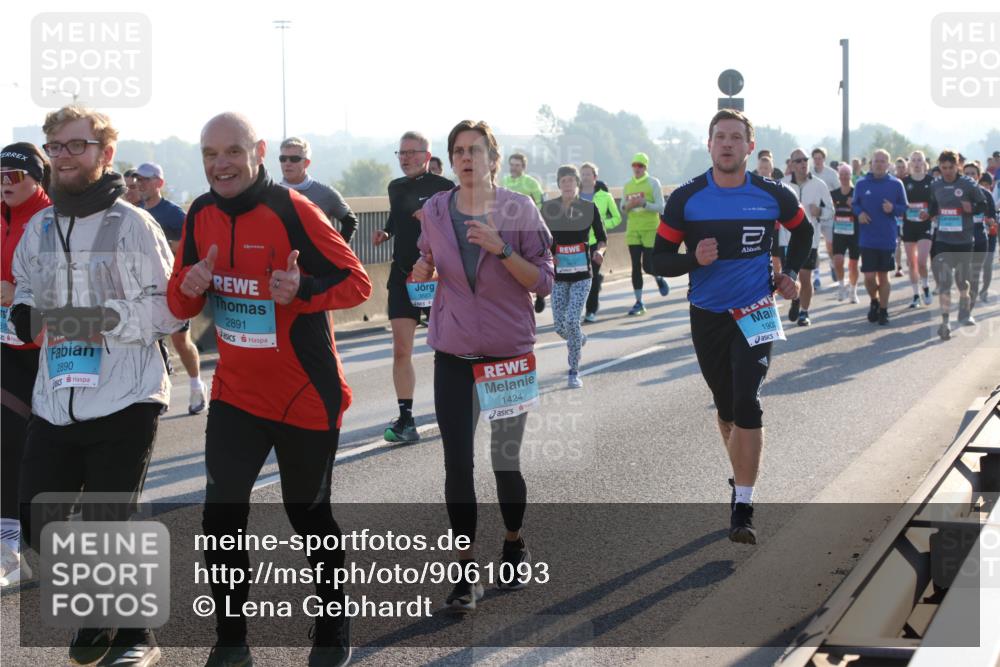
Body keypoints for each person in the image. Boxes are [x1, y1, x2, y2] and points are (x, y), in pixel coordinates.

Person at [168, 112, 372, 667]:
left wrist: (301, 288)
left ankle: (333, 626)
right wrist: (189, 288)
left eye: (232, 151)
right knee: (220, 519)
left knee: (307, 515)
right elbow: (179, 302)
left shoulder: (293, 209)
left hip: (304, 393)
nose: (220, 164)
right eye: (210, 154)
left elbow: (358, 282)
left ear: (256, 150)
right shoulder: (201, 212)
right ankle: (231, 641)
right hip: (236, 394)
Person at [10, 105, 184, 667]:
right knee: (38, 521)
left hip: (127, 394)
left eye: (76, 145)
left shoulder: (134, 224)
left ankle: (134, 637)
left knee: (109, 517)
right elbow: (22, 288)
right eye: (55, 146)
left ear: (105, 153)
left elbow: (169, 312)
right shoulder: (38, 226)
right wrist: (22, 314)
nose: (64, 156)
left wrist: (98, 319)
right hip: (55, 397)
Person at [411, 119, 553, 610]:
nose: (466, 158)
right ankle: (465, 571)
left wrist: (503, 248)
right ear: (450, 161)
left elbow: (544, 282)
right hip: (453, 353)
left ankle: (513, 541)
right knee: (458, 463)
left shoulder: (519, 209)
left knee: (504, 462)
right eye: (458, 151)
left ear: (495, 158)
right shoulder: (433, 210)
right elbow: (427, 264)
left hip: (508, 355)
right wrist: (421, 270)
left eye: (476, 150)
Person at [653, 109, 812, 545]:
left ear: (748, 145)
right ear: (709, 145)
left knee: (748, 401)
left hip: (756, 310)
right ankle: (740, 474)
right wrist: (692, 260)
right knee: (726, 407)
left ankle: (743, 504)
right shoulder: (686, 199)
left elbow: (804, 232)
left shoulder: (771, 194)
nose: (727, 144)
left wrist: (790, 272)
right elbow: (657, 260)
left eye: (735, 137)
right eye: (719, 137)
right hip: (707, 314)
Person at [372, 131, 455, 443]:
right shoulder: (396, 187)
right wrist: (386, 232)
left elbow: (456, 229)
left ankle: (452, 408)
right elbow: (398, 218)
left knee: (446, 348)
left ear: (426, 154)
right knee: (400, 350)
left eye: (411, 152)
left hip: (438, 277)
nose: (405, 158)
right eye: (401, 153)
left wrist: (431, 221)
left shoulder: (445, 188)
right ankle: (406, 419)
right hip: (404, 276)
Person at [0, 142, 51, 588]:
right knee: (6, 437)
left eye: (13, 176)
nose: (4, 184)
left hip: (50, 347)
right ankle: (11, 549)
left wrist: (16, 291)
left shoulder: (53, 218)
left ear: (37, 177)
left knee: (48, 448)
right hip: (6, 348)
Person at [135, 161, 208, 414]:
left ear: (159, 183)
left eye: (145, 179)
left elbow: (194, 248)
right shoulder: (135, 211)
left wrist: (163, 244)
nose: (140, 183)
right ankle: (155, 392)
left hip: (173, 288)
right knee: (146, 339)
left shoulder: (174, 214)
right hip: (144, 289)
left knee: (180, 341)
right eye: (138, 179)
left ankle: (196, 384)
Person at [542, 165, 606, 386]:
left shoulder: (589, 208)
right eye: (563, 181)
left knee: (572, 320)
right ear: (558, 184)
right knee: (560, 326)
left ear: (577, 184)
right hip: (559, 276)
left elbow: (602, 238)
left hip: (582, 275)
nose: (567, 185)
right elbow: (543, 240)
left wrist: (599, 251)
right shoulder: (549, 209)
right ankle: (579, 339)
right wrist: (549, 256)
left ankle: (574, 371)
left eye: (571, 181)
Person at [929, 150, 988, 338]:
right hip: (943, 241)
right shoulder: (935, 185)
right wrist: (928, 214)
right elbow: (932, 206)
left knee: (962, 281)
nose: (947, 171)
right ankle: (945, 322)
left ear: (958, 166)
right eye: (943, 168)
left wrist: (972, 209)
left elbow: (983, 205)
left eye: (951, 167)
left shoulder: (967, 184)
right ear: (939, 166)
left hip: (963, 241)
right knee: (945, 283)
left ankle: (965, 311)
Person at [852, 149, 908, 326]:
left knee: (883, 276)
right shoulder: (861, 184)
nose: (879, 164)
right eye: (877, 161)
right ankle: (874, 301)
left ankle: (883, 310)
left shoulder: (896, 184)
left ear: (888, 164)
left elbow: (904, 207)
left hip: (887, 238)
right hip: (867, 238)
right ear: (871, 163)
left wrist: (893, 209)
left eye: (883, 161)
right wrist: (859, 213)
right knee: (869, 277)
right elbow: (854, 204)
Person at [782, 148, 833, 326]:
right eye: (799, 161)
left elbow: (830, 211)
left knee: (805, 277)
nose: (803, 163)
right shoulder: (783, 184)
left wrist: (820, 211)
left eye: (805, 160)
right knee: (790, 277)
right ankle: (796, 298)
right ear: (791, 164)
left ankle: (804, 312)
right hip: (786, 239)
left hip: (808, 241)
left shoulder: (819, 184)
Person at [279, 137, 359, 243]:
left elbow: (351, 222)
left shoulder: (326, 193)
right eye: (283, 159)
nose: (287, 163)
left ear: (306, 163)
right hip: (280, 258)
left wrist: (336, 250)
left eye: (294, 159)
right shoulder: (270, 194)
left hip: (314, 259)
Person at [623, 152, 669, 315]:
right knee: (635, 266)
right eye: (634, 165)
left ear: (645, 167)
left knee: (648, 266)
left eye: (640, 165)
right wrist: (629, 205)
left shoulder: (653, 183)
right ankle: (639, 302)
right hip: (633, 229)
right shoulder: (628, 185)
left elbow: (661, 207)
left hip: (650, 228)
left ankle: (658, 277)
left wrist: (644, 203)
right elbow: (623, 207)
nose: (637, 168)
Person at [502, 153, 547, 313]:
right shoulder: (504, 181)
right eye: (512, 164)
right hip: (509, 229)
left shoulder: (531, 182)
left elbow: (541, 202)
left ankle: (540, 294)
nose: (514, 167)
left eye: (517, 165)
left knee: (532, 262)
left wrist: (533, 218)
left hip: (529, 228)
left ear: (523, 167)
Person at [579, 162, 621, 322]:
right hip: (579, 243)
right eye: (582, 174)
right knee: (580, 277)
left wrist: (602, 224)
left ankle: (591, 311)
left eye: (588, 174)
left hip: (598, 243)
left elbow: (617, 218)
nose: (585, 177)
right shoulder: (576, 196)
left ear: (595, 177)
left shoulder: (605, 196)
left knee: (592, 277)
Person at [901, 151, 935, 307]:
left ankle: (926, 287)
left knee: (921, 261)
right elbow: (899, 203)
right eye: (913, 160)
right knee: (911, 262)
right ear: (910, 163)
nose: (916, 163)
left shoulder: (932, 181)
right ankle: (915, 295)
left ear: (924, 163)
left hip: (924, 225)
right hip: (909, 225)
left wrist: (929, 212)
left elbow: (937, 203)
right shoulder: (903, 182)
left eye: (919, 160)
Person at [830, 164, 860, 303]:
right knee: (838, 261)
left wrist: (853, 205)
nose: (844, 177)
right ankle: (842, 287)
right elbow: (829, 212)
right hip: (839, 232)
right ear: (838, 176)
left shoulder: (856, 193)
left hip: (854, 232)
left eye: (846, 174)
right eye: (841, 175)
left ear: (850, 176)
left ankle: (853, 290)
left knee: (853, 264)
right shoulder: (834, 194)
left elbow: (862, 211)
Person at [963, 162, 992, 308]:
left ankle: (969, 308)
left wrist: (990, 221)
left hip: (980, 239)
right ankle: (965, 300)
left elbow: (992, 217)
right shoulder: (958, 194)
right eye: (966, 173)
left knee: (974, 276)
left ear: (979, 176)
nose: (970, 176)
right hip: (962, 241)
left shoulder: (986, 194)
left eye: (973, 173)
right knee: (964, 276)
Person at [977, 172, 998, 302]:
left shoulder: (988, 195)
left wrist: (987, 220)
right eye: (982, 184)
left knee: (988, 264)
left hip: (990, 234)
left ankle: (984, 290)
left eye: (987, 184)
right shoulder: (963, 194)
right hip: (972, 235)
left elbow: (993, 218)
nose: (984, 186)